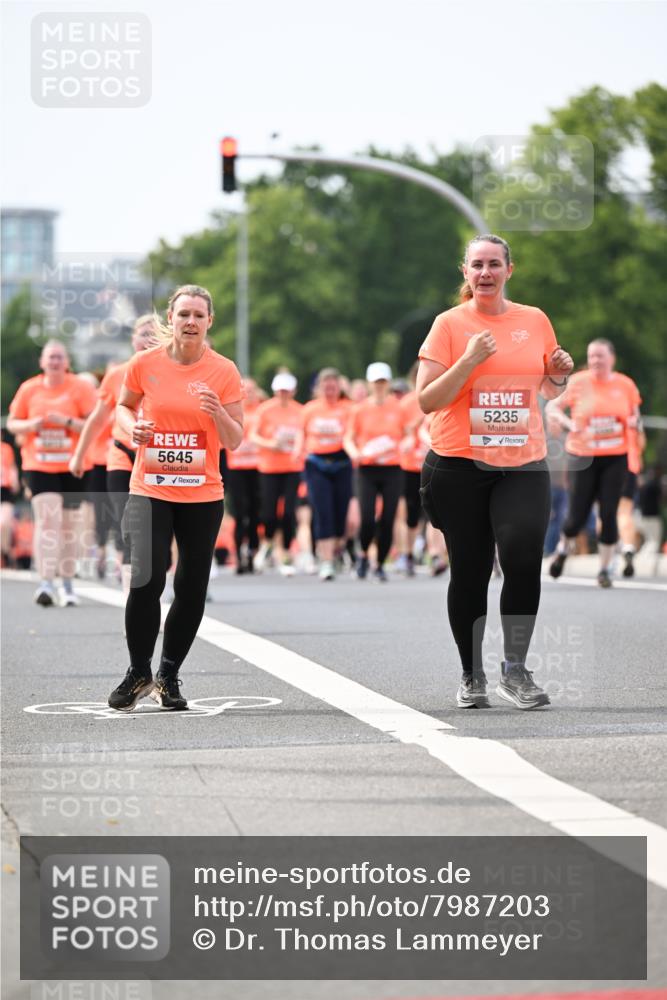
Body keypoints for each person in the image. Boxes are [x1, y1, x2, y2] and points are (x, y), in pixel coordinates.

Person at [417, 234, 573, 710]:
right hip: (458, 463)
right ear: (464, 272)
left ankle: (516, 669)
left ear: (510, 270)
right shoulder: (449, 325)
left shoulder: (533, 320)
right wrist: (468, 360)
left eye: (494, 264)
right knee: (470, 572)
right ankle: (471, 673)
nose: (485, 273)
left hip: (522, 461)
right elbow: (427, 399)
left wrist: (560, 375)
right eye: (477, 265)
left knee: (524, 557)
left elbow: (544, 388)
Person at [107, 285, 243, 712]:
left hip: (201, 494)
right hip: (150, 487)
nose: (190, 322)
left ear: (209, 322)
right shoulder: (144, 364)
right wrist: (133, 428)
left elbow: (235, 439)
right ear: (171, 316)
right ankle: (138, 672)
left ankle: (168, 673)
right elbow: (122, 408)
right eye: (183, 313)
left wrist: (217, 410)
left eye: (198, 316)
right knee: (146, 580)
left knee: (191, 586)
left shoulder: (223, 371)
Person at [69, 315, 157, 592]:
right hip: (122, 456)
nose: (148, 339)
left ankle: (157, 590)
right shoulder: (118, 374)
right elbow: (97, 419)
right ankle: (134, 604)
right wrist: (79, 455)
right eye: (143, 333)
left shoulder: (174, 371)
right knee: (130, 529)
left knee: (157, 534)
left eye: (155, 333)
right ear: (132, 340)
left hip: (159, 461)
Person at [546, 339, 642, 588]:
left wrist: (634, 424)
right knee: (576, 516)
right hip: (583, 456)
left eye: (600, 356)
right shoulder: (578, 382)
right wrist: (568, 425)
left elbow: (635, 416)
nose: (595, 361)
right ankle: (562, 552)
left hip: (615, 456)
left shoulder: (625, 385)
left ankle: (605, 569)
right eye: (591, 357)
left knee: (609, 512)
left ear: (612, 358)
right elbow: (552, 408)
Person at [7, 340, 96, 606]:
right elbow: (12, 424)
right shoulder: (29, 389)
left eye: (59, 357)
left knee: (68, 527)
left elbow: (95, 425)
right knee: (47, 522)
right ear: (42, 362)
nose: (55, 361)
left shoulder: (80, 388)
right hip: (39, 463)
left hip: (74, 465)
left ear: (67, 362)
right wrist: (31, 425)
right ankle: (46, 583)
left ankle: (67, 585)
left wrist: (65, 421)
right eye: (50, 357)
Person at [344, 362, 406, 582]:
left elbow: (407, 433)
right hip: (367, 470)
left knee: (388, 518)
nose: (379, 386)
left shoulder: (397, 408)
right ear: (370, 384)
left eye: (383, 382)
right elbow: (348, 438)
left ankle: (380, 563)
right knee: (368, 518)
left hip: (392, 469)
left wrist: (405, 444)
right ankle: (362, 555)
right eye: (376, 382)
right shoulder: (359, 409)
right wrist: (354, 453)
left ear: (388, 383)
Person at [251, 372, 304, 576]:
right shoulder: (265, 410)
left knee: (289, 512)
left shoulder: (300, 411)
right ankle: (268, 543)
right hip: (269, 467)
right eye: (280, 390)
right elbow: (253, 435)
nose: (284, 394)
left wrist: (299, 447)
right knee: (268, 512)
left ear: (293, 391)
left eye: (287, 391)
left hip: (292, 467)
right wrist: (270, 444)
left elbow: (303, 434)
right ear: (275, 391)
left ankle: (287, 552)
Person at [302, 367, 353, 580]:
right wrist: (298, 451)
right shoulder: (310, 409)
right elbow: (300, 434)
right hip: (316, 463)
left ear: (339, 388)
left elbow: (352, 434)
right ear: (319, 388)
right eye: (326, 386)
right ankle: (326, 560)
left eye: (334, 386)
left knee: (340, 512)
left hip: (342, 462)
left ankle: (338, 548)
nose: (330, 390)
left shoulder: (349, 408)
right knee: (323, 511)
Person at [223, 376, 262, 573]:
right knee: (239, 514)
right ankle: (238, 554)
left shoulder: (262, 412)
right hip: (236, 467)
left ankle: (252, 553)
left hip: (257, 468)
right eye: (245, 390)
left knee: (255, 513)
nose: (249, 394)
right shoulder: (232, 410)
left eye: (252, 390)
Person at [1, 431, 20, 566]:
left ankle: (5, 551)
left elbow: (12, 466)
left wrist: (15, 480)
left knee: (4, 523)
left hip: (5, 489)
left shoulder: (6, 448)